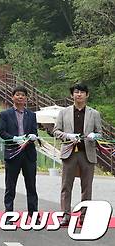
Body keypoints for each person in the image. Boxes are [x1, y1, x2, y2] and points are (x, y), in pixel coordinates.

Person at [53, 83, 103, 226]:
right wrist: (68, 136)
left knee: (87, 187)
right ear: (72, 95)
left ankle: (84, 215)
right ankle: (65, 215)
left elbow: (100, 133)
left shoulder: (94, 113)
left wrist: (95, 135)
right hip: (70, 152)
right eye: (76, 92)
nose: (79, 94)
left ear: (87, 95)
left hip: (87, 152)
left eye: (82, 92)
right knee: (66, 185)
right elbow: (56, 131)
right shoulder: (64, 112)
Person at [0, 86, 39, 216]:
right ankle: (9, 214)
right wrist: (14, 139)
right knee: (10, 186)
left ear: (26, 98)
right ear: (12, 97)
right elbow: (2, 132)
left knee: (31, 186)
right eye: (17, 94)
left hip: (29, 154)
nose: (20, 97)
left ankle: (33, 214)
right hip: (12, 153)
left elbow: (34, 132)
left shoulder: (32, 115)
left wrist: (33, 137)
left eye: (23, 95)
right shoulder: (5, 114)